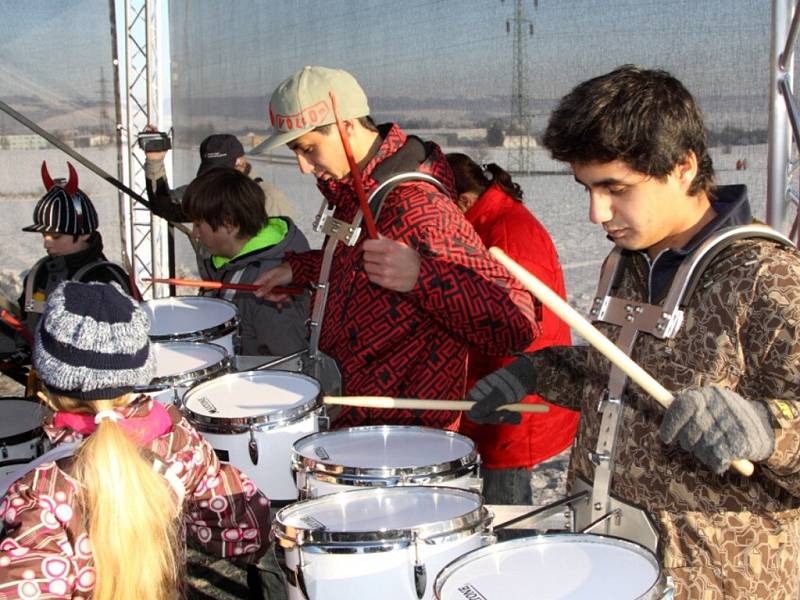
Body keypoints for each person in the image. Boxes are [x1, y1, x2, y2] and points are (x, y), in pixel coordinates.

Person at [465, 64, 800, 598]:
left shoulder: (768, 278)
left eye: (614, 188)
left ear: (683, 167)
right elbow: (624, 382)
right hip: (607, 557)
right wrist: (538, 371)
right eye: (587, 188)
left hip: (714, 581)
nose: (596, 212)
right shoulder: (626, 263)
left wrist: (768, 428)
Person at [254, 66, 536, 430]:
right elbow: (361, 264)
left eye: (308, 149)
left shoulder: (417, 206)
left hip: (404, 441)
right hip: (356, 422)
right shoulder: (354, 193)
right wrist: (302, 269)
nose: (304, 167)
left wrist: (423, 277)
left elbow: (516, 323)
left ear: (348, 127)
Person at [0, 281, 273, 600]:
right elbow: (248, 531)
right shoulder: (177, 442)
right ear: (137, 379)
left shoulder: (40, 495)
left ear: (46, 390)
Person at [445, 153, 579, 505]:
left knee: (506, 503)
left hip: (513, 394)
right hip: (496, 385)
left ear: (463, 200)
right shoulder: (488, 223)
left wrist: (505, 392)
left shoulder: (506, 236)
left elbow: (526, 329)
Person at [12, 162, 131, 382]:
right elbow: (25, 318)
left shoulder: (105, 278)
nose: (46, 244)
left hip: (92, 391)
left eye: (56, 236)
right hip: (44, 385)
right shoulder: (39, 273)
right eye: (44, 235)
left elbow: (126, 342)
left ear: (84, 233)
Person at [181, 167, 310, 357]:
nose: (195, 234)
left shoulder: (268, 281)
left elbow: (288, 362)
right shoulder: (230, 261)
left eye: (199, 225)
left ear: (229, 224)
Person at [144, 132, 296, 223]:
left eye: (222, 172)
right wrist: (155, 161)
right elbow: (164, 206)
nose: (216, 179)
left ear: (241, 164)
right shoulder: (206, 192)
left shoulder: (268, 200)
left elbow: (283, 259)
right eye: (210, 172)